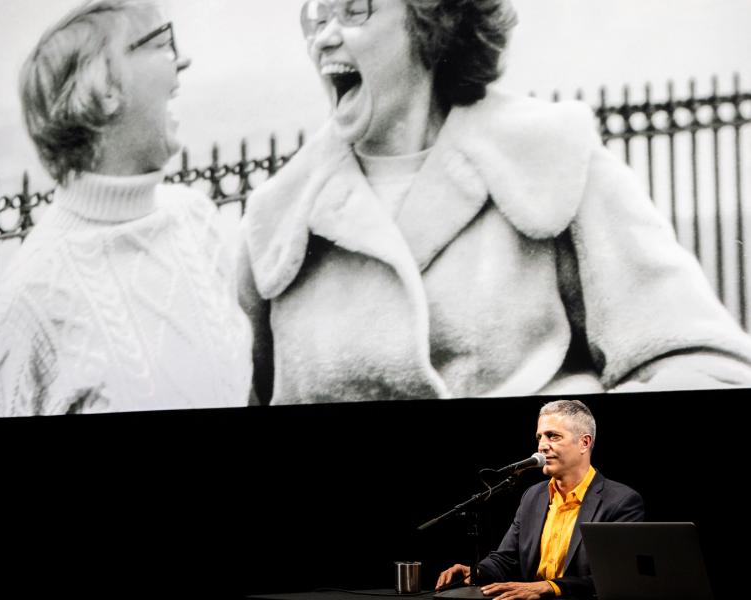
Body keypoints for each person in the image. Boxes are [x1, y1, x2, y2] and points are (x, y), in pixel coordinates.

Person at [237, 0, 751, 405]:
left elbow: (708, 367)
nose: (324, 36)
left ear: (430, 21)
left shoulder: (551, 159)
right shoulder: (276, 220)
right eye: (316, 14)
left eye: (354, 10)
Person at [0, 0, 252, 417]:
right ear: (104, 91)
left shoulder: (196, 218)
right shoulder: (26, 303)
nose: (183, 60)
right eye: (162, 43)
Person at [434, 400, 643, 599]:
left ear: (584, 442)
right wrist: (477, 571)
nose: (542, 446)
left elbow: (617, 577)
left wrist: (549, 587)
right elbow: (506, 558)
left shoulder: (620, 501)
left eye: (553, 436)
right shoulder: (533, 496)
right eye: (539, 437)